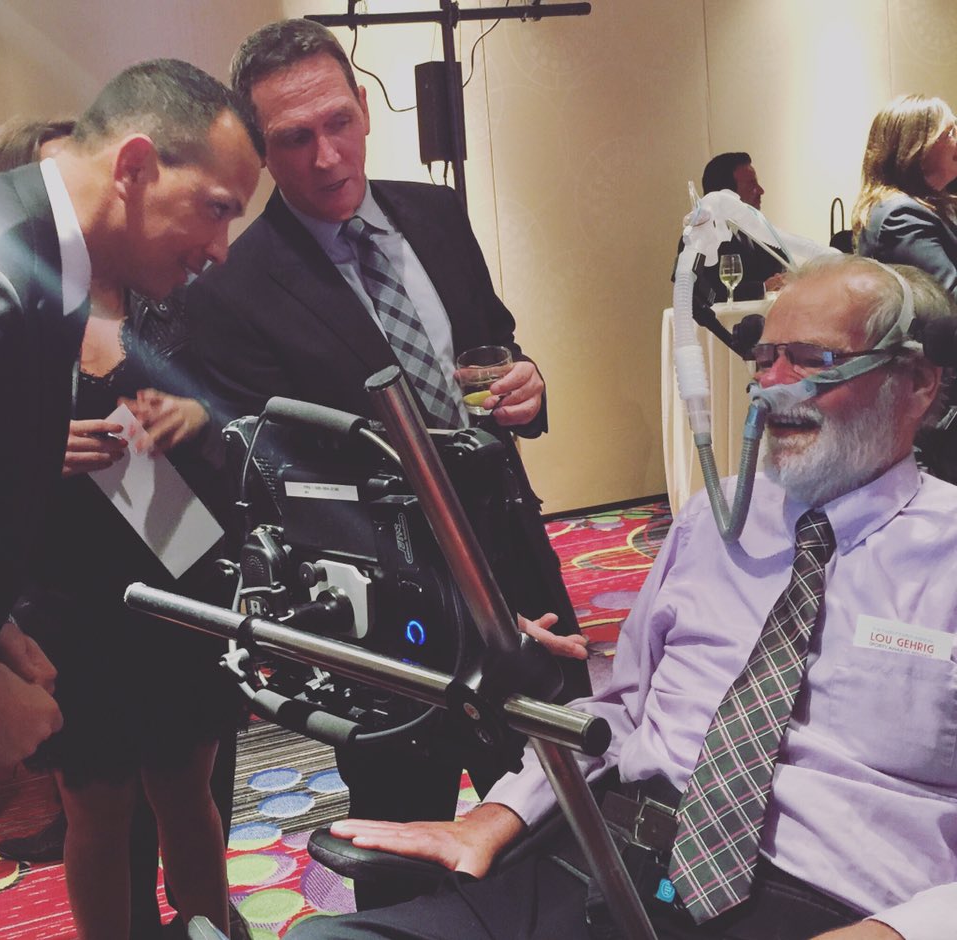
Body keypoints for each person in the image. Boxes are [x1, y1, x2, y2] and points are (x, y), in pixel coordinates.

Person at [286, 253, 957, 940]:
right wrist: (496, 817)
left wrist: (901, 932)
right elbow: (619, 712)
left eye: (811, 360)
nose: (771, 389)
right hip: (613, 852)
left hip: (832, 900)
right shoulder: (715, 519)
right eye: (763, 360)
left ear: (918, 385)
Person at [186, 17, 588, 911]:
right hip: (387, 625)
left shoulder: (435, 213)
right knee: (402, 844)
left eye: (338, 122)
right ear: (260, 151)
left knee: (561, 809)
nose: (327, 156)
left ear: (364, 108)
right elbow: (287, 494)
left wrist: (527, 381)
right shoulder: (237, 291)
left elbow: (494, 344)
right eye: (294, 139)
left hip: (518, 565)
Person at [0, 58, 260, 936]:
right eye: (220, 207)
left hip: (168, 580)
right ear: (137, 166)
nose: (223, 248)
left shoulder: (36, 260)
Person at [854, 94, 957, 295]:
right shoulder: (900, 216)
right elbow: (949, 302)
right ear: (918, 146)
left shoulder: (933, 204)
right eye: (951, 131)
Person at [675, 152, 787, 301]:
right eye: (751, 185)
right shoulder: (697, 239)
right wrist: (763, 287)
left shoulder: (756, 230)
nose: (761, 191)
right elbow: (703, 293)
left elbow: (781, 264)